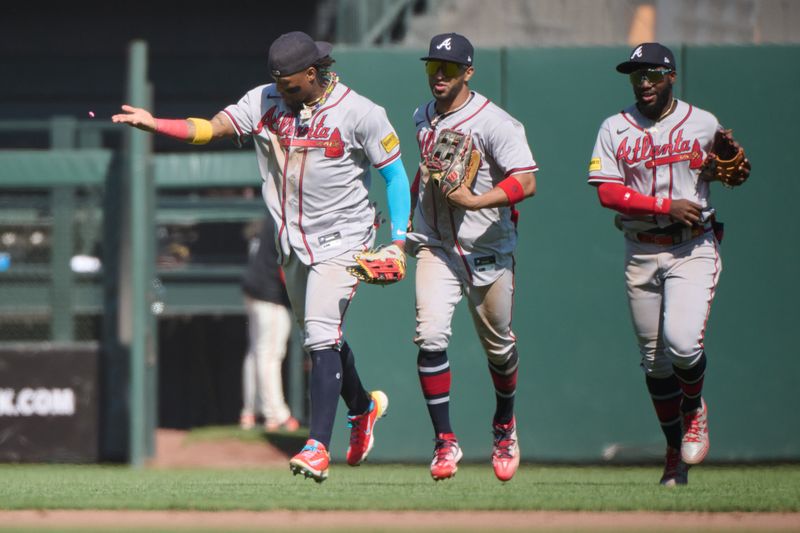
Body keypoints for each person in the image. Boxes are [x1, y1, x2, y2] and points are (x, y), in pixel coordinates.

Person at [112, 31, 411, 483]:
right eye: (278, 85)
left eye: (291, 86)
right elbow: (211, 128)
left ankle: (316, 447)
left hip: (345, 239)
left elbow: (395, 177)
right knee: (321, 333)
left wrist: (399, 241)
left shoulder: (361, 113)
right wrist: (159, 124)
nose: (283, 94)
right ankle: (363, 407)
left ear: (313, 73)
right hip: (291, 243)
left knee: (320, 335)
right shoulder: (264, 99)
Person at [587, 42, 749, 486]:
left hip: (691, 247)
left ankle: (694, 409)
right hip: (639, 249)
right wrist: (664, 204)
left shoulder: (702, 123)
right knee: (655, 363)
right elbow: (606, 192)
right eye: (636, 75)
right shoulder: (614, 128)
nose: (643, 82)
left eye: (652, 74)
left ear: (671, 76)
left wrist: (725, 166)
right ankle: (675, 452)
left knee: (682, 344)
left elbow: (728, 167)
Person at [407, 33, 538, 482]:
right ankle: (445, 442)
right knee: (430, 337)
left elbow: (526, 181)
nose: (438, 75)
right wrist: (403, 232)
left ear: (468, 71)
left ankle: (504, 423)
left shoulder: (496, 122)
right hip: (437, 246)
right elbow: (423, 178)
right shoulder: (421, 118)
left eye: (447, 67)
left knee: (499, 348)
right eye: (432, 67)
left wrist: (476, 201)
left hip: (486, 247)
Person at [239, 216, 298, 433]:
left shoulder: (276, 209)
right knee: (269, 354)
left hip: (254, 288)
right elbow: (286, 271)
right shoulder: (288, 215)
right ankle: (275, 414)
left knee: (257, 351)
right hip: (268, 294)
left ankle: (249, 411)